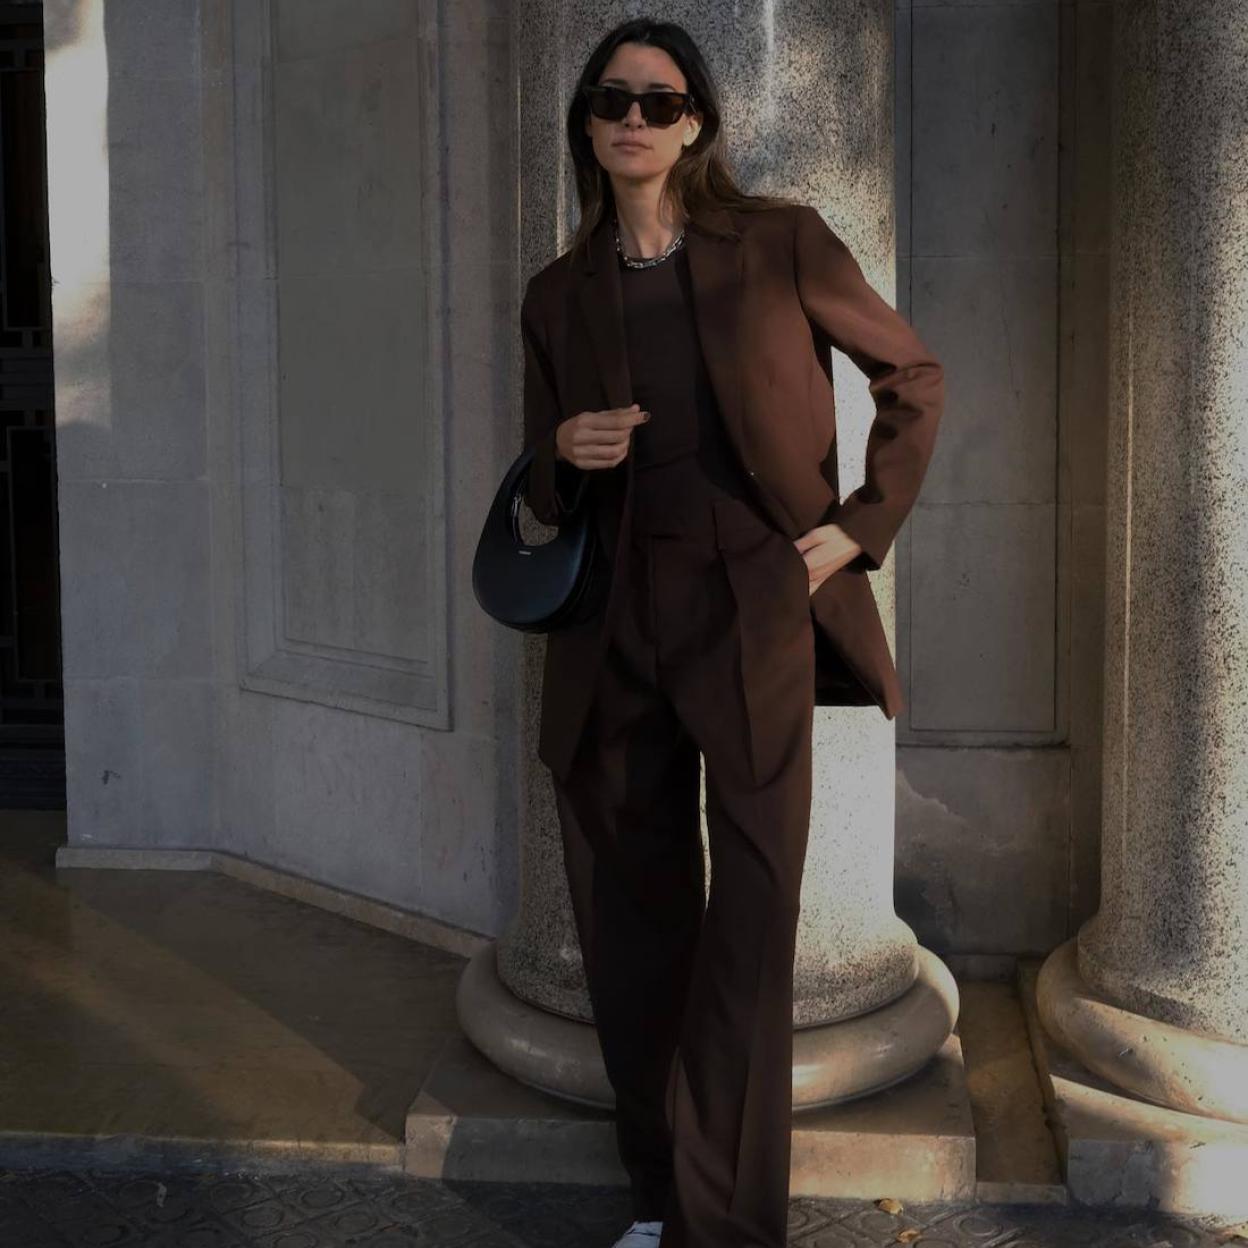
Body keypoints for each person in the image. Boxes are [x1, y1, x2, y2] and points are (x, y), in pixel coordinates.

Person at [518, 17, 945, 1248]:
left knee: (750, 922)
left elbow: (913, 378)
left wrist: (859, 527)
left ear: (695, 121)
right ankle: (660, 1197)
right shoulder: (557, 294)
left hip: (752, 608)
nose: (632, 120)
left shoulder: (779, 242)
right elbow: (543, 489)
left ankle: (725, 1227)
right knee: (632, 921)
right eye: (610, 100)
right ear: (585, 124)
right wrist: (562, 450)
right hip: (613, 626)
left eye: (658, 102)